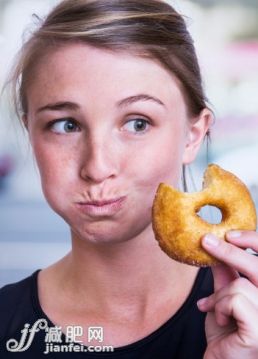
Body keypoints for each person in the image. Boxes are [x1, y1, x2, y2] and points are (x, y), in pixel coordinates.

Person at [0, 0, 258, 358]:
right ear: (31, 134)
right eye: (66, 125)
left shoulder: (250, 322)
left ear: (193, 135)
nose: (98, 166)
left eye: (137, 123)